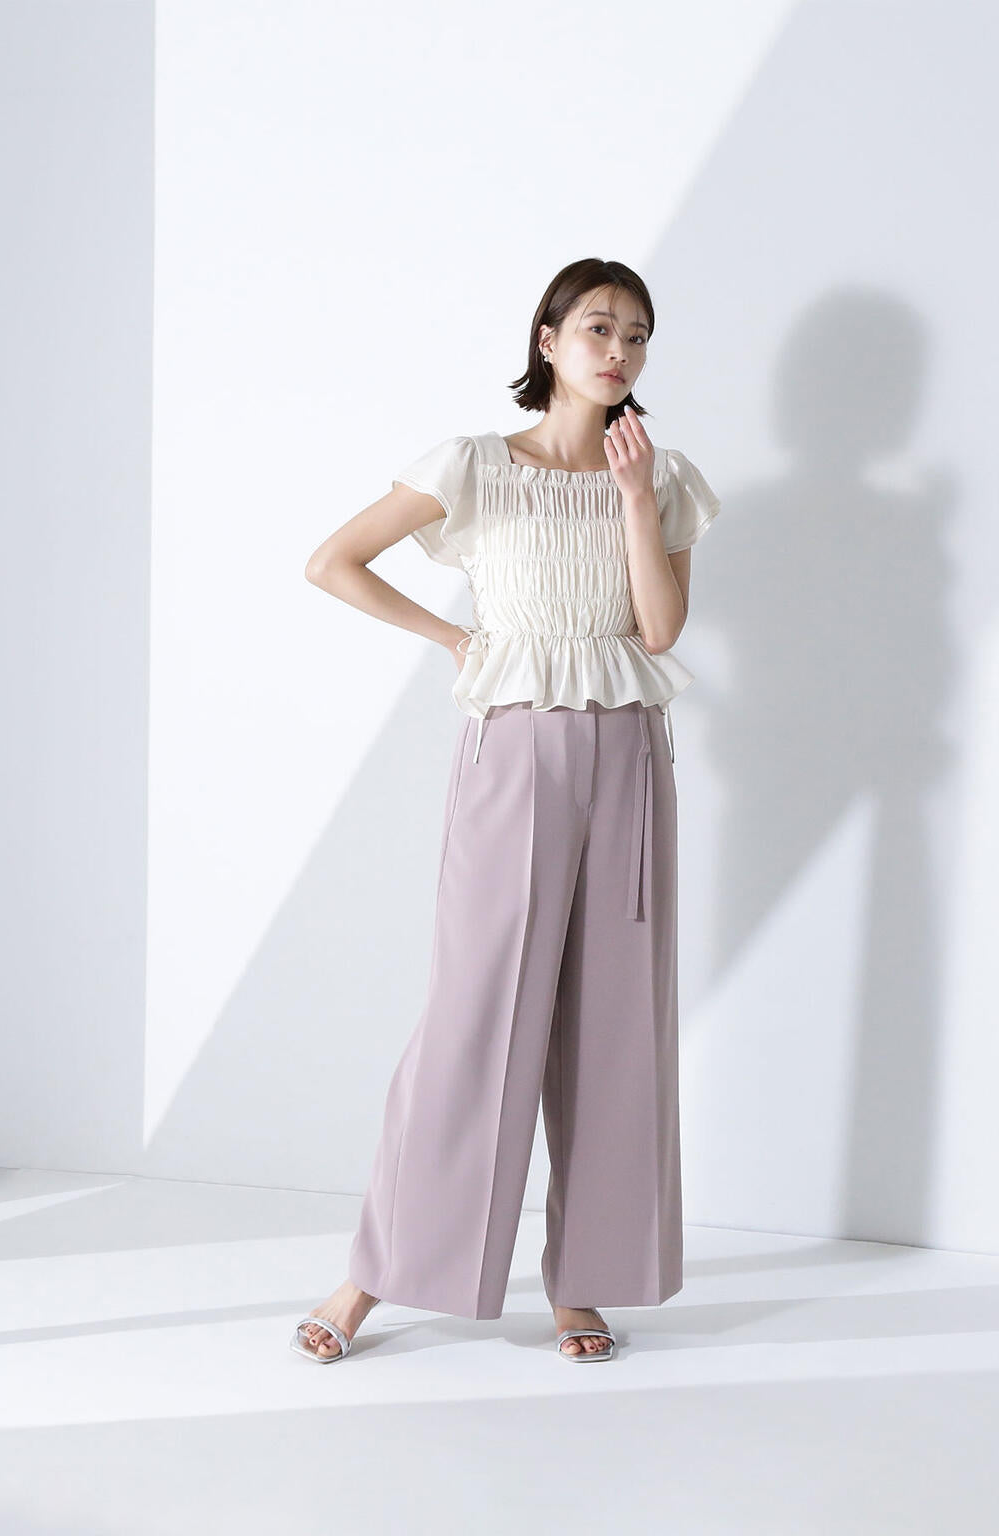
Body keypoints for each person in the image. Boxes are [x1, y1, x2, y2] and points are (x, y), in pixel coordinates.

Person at [296, 258, 721, 1363]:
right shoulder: (476, 465)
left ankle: (584, 1282)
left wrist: (635, 497)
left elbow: (658, 630)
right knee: (475, 1016)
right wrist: (453, 640)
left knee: (616, 1024)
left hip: (628, 749)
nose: (618, 350)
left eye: (636, 334)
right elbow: (334, 562)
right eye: (597, 328)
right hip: (516, 746)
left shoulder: (663, 474)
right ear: (547, 340)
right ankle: (374, 1273)